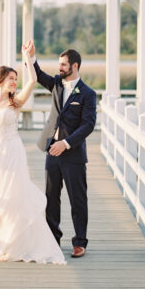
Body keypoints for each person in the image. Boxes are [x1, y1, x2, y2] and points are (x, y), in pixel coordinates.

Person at [0, 43, 66, 264]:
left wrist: (27, 57)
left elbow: (32, 80)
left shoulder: (15, 102)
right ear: (0, 80)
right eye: (11, 78)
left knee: (12, 196)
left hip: (12, 153)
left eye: (15, 79)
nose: (14, 82)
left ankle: (12, 242)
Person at [27, 42, 97, 258]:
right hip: (52, 152)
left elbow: (88, 125)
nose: (59, 68)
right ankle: (53, 239)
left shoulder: (87, 93)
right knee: (51, 197)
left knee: (78, 199)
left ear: (74, 66)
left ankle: (79, 242)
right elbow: (38, 75)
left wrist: (65, 144)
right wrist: (31, 57)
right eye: (59, 64)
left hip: (72, 154)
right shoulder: (57, 84)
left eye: (63, 65)